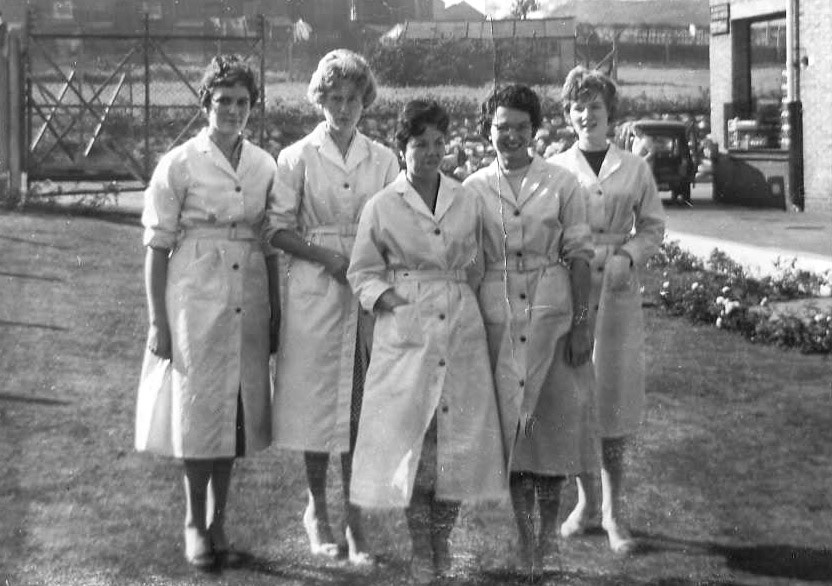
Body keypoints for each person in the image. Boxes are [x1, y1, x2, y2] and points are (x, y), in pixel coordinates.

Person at [347, 99, 506, 584]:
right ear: (403, 147)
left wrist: (470, 300)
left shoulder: (467, 198)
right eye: (420, 143)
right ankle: (421, 551)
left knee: (455, 443)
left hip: (459, 325)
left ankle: (444, 546)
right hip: (408, 327)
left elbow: (484, 259)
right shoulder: (382, 204)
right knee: (414, 440)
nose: (432, 152)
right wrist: (392, 301)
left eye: (439, 142)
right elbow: (362, 272)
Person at [135, 55, 279, 570]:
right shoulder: (179, 162)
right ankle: (194, 522)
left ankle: (220, 523)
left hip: (251, 289)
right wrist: (158, 320)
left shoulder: (264, 164)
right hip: (195, 291)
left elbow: (270, 239)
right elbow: (156, 246)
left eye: (242, 102)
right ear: (205, 103)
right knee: (198, 410)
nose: (233, 110)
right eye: (223, 101)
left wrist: (276, 312)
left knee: (235, 411)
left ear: (252, 106)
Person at [265, 48, 399, 564]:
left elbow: (395, 221)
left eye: (353, 99)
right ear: (320, 99)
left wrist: (368, 263)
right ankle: (317, 510)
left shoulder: (383, 158)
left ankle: (356, 521)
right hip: (315, 293)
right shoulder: (297, 156)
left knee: (362, 409)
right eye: (334, 98)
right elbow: (277, 228)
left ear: (366, 101)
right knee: (317, 405)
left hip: (366, 292)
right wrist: (326, 255)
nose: (343, 109)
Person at [463, 84, 596, 576]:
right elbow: (466, 259)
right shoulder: (472, 188)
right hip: (498, 316)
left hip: (553, 316)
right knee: (516, 436)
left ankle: (547, 539)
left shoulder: (561, 183)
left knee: (553, 432)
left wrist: (582, 327)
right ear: (487, 130)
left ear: (534, 130)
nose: (512, 136)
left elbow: (581, 258)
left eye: (521, 127)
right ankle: (526, 541)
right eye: (502, 127)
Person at [549, 66, 665, 555]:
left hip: (617, 295)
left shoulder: (634, 168)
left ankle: (616, 513)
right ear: (568, 114)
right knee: (575, 396)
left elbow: (653, 227)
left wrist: (628, 256)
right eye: (577, 106)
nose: (586, 115)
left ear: (609, 113)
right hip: (570, 293)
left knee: (613, 398)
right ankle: (586, 504)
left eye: (594, 106)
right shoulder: (555, 168)